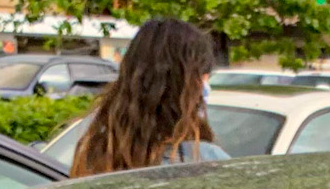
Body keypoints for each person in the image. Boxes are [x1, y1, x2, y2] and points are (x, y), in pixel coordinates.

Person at [69, 19, 227, 177]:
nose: (205, 85)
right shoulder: (205, 160)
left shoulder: (96, 151)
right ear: (187, 83)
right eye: (203, 76)